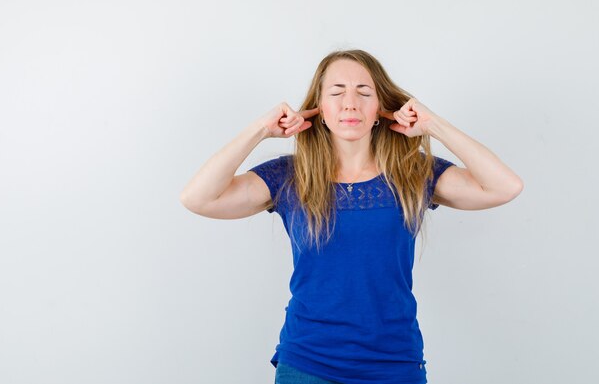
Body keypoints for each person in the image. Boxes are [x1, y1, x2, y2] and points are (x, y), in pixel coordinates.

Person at [179, 49, 523, 384]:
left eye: (363, 92)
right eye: (337, 92)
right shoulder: (289, 176)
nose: (350, 103)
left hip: (395, 364)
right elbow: (198, 198)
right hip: (307, 364)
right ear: (320, 109)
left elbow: (504, 187)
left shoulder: (413, 172)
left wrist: (435, 126)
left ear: (380, 110)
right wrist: (260, 129)